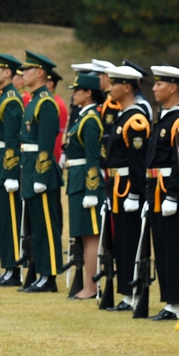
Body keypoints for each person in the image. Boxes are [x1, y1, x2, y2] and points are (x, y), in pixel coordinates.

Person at [145, 64, 179, 321]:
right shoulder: (164, 116)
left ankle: (178, 301)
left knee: (174, 248)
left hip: (168, 191)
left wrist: (174, 195)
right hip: (155, 190)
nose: (154, 88)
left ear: (173, 87)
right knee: (161, 247)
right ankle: (169, 300)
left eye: (159, 84)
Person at [102, 64, 151, 313]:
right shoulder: (124, 115)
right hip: (116, 187)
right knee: (120, 240)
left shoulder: (136, 120)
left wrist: (134, 193)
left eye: (114, 83)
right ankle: (126, 293)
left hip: (127, 188)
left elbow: (137, 162)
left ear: (127, 87)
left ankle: (133, 293)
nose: (109, 88)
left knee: (130, 240)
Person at [18, 51, 65, 293]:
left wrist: (41, 175)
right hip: (30, 171)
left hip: (41, 174)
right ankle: (41, 273)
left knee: (47, 227)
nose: (23, 73)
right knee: (37, 228)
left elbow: (46, 143)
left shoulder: (46, 102)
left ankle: (50, 275)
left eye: (27, 69)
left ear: (39, 72)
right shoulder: (34, 100)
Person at [63, 72, 106, 300]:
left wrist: (91, 189)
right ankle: (88, 284)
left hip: (85, 183)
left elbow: (92, 158)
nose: (73, 94)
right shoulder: (83, 117)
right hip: (77, 180)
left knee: (90, 235)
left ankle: (91, 286)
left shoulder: (90, 120)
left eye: (77, 90)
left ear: (88, 93)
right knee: (83, 235)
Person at [0, 52, 25, 287]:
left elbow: (12, 139)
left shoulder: (10, 100)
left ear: (7, 72)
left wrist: (11, 173)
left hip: (6, 168)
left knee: (10, 221)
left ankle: (13, 268)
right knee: (2, 220)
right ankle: (7, 268)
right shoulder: (3, 98)